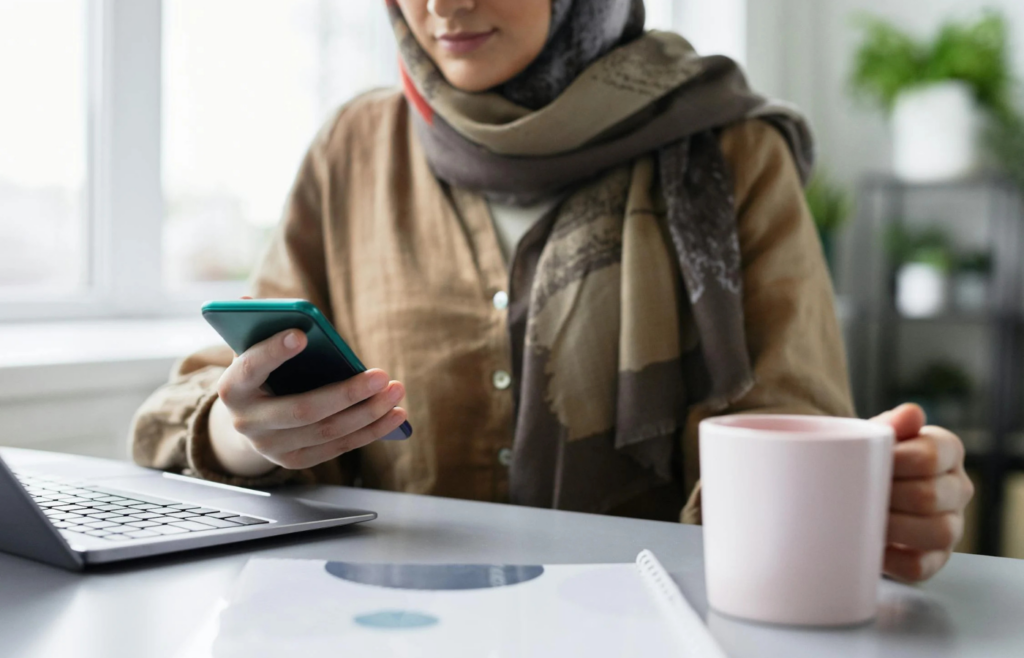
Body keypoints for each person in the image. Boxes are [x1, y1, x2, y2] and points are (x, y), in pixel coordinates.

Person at [132, 0, 974, 583]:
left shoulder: (733, 151)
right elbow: (191, 410)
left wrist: (870, 500)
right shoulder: (354, 147)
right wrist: (246, 434)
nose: (444, 7)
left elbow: (798, 430)